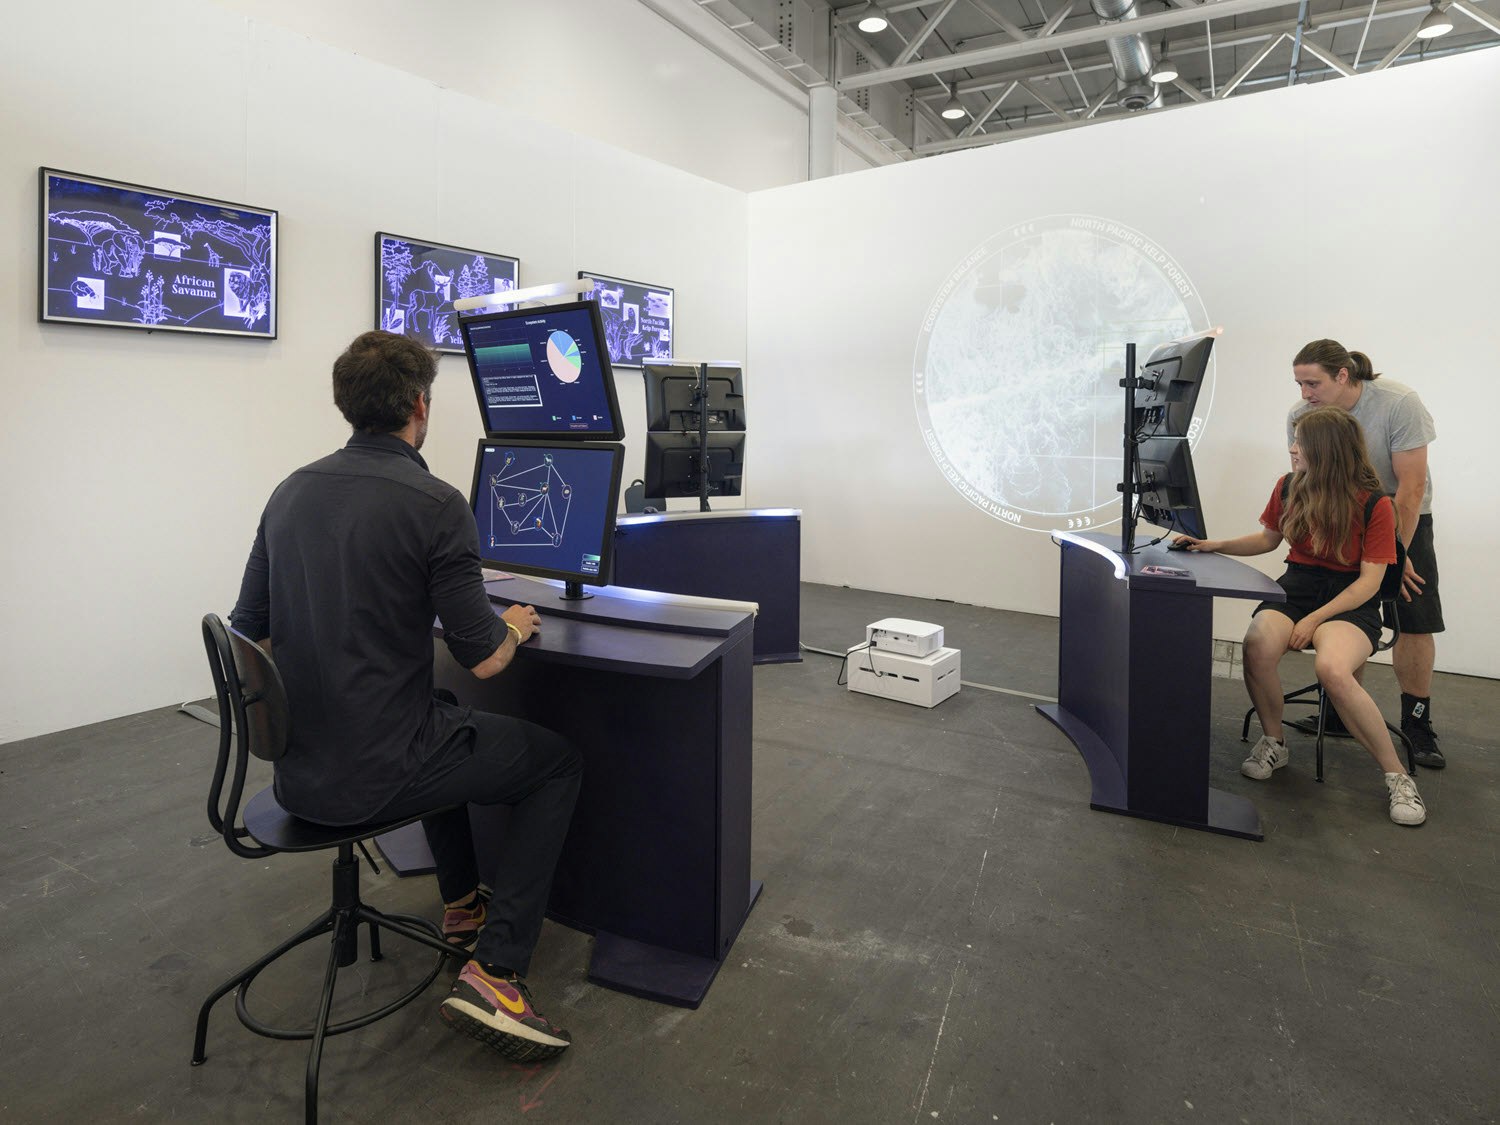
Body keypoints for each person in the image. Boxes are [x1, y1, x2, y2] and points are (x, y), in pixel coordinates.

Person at [230, 330, 581, 1061]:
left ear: (347, 404)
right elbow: (485, 658)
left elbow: (249, 633)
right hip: (380, 776)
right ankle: (498, 972)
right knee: (557, 763)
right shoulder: (435, 503)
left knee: (442, 716)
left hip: (299, 774)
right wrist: (515, 625)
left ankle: (462, 906)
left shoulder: (289, 491)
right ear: (420, 404)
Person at [1174, 406, 1426, 826]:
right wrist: (1211, 544)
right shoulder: (1289, 486)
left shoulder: (1376, 504)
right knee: (1257, 646)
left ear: (1326, 451)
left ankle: (1398, 776)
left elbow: (1369, 583)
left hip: (1350, 599)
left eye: (1300, 444)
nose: (1292, 449)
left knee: (1333, 669)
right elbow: (1267, 539)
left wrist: (1314, 620)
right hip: (1297, 586)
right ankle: (1274, 742)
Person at [1286, 339, 1445, 768]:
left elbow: (1410, 488)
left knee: (1413, 616)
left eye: (1313, 383)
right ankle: (1341, 712)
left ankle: (1417, 724)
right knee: (1346, 613)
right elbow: (1305, 478)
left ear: (1343, 375)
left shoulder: (1398, 403)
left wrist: (1397, 551)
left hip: (1401, 515)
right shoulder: (1302, 415)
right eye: (1299, 384)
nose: (1304, 394)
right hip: (1341, 517)